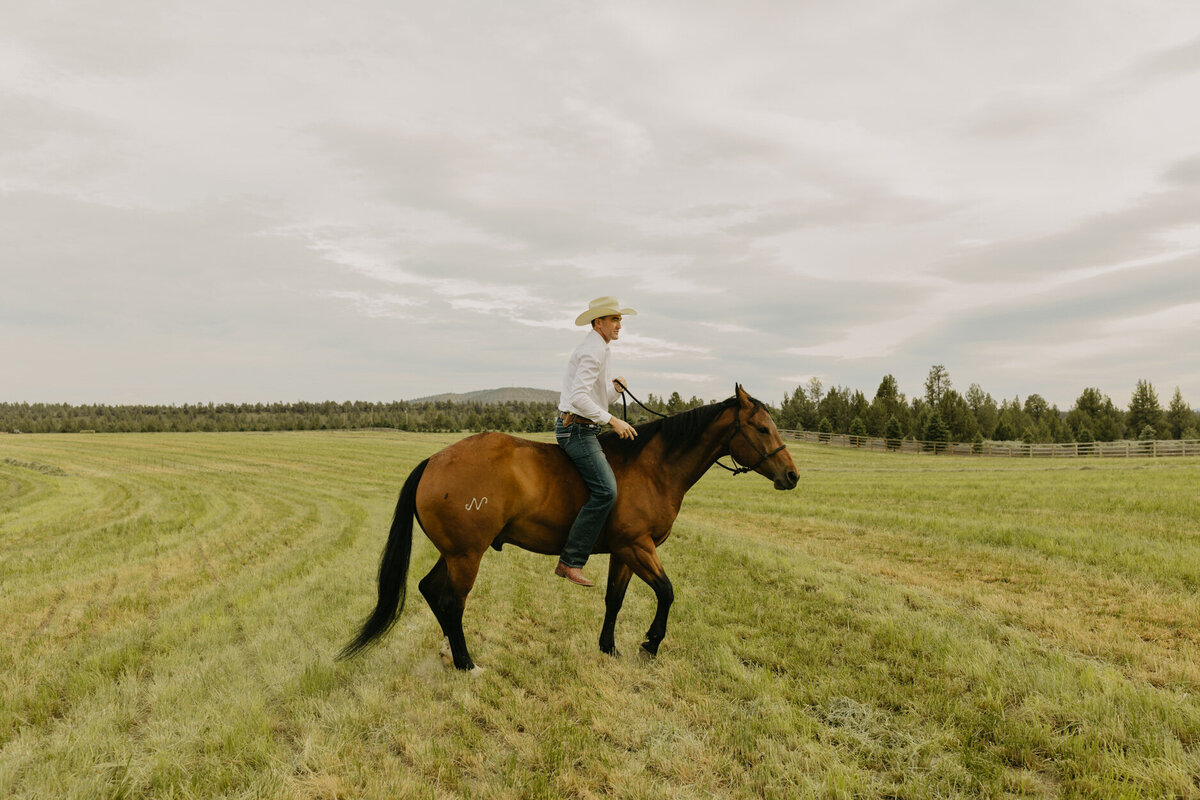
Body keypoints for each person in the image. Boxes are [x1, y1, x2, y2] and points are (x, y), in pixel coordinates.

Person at [554, 296, 639, 587]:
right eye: (614, 320)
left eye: (620, 320)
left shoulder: (600, 348)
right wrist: (613, 420)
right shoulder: (592, 351)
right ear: (598, 322)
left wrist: (614, 390)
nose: (619, 325)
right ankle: (571, 561)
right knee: (606, 492)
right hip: (576, 430)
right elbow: (578, 398)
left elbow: (592, 396)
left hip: (585, 427)